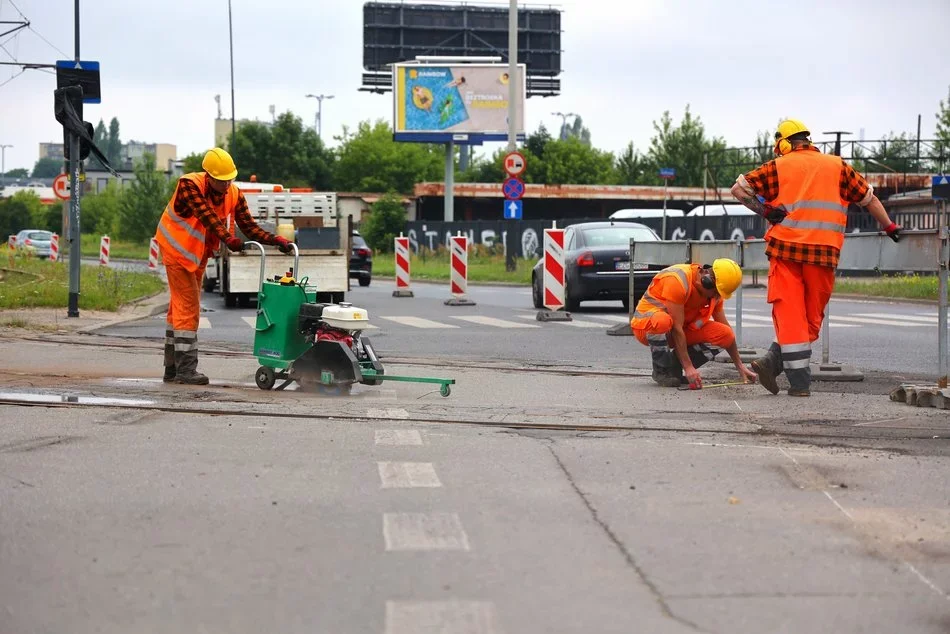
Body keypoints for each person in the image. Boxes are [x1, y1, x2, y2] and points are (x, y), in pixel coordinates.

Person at [731, 119, 902, 397]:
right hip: (823, 255)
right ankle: (793, 377)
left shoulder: (779, 166)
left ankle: (778, 364)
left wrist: (765, 212)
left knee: (790, 314)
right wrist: (890, 227)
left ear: (784, 143)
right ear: (808, 141)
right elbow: (868, 198)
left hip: (785, 251)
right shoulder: (837, 167)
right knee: (810, 319)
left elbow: (739, 189)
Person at [154, 148, 293, 385]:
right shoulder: (189, 185)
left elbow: (248, 226)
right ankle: (186, 370)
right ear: (208, 176)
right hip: (176, 251)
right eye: (221, 180)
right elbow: (207, 215)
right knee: (188, 308)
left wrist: (274, 240)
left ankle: (172, 369)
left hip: (197, 255)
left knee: (177, 309)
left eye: (229, 179)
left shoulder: (234, 193)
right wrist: (228, 239)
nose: (226, 185)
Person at [631, 258, 758, 388]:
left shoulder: (714, 295)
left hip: (679, 330)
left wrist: (740, 366)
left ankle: (674, 367)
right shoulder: (678, 281)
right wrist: (689, 367)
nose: (716, 297)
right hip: (648, 328)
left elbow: (727, 332)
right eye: (715, 292)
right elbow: (676, 328)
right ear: (707, 280)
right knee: (663, 321)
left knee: (725, 334)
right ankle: (662, 371)